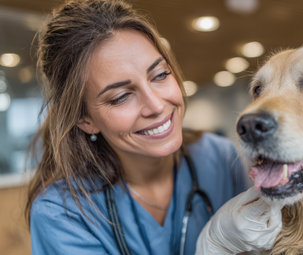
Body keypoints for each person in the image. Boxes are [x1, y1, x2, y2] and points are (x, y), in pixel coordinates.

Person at [25, 0, 282, 254]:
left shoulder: (221, 159)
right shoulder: (61, 214)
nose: (156, 106)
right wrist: (213, 244)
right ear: (85, 120)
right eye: (120, 97)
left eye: (160, 75)